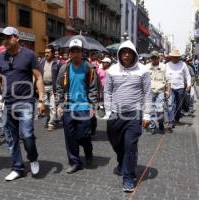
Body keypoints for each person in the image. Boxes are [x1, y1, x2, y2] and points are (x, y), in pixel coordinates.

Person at [0, 26, 45, 181]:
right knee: (10, 137)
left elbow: (39, 78)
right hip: (7, 103)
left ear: (17, 38)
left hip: (26, 102)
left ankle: (32, 157)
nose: (5, 40)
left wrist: (41, 100)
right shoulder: (0, 57)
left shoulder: (29, 55)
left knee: (26, 135)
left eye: (8, 37)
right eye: (3, 38)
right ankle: (17, 167)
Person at [104, 40, 151, 192]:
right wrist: (109, 111)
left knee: (130, 145)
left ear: (134, 54)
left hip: (134, 114)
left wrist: (147, 115)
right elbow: (107, 92)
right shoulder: (112, 70)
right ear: (119, 54)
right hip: (115, 114)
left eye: (130, 52)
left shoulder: (143, 71)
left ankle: (129, 177)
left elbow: (147, 94)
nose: (126, 54)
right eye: (124, 52)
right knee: (116, 143)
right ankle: (121, 161)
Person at [55, 38, 98, 174]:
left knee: (83, 135)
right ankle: (75, 162)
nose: (74, 54)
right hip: (68, 107)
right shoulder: (64, 68)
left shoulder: (89, 68)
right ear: (69, 53)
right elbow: (59, 87)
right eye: (72, 51)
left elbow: (93, 88)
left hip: (84, 108)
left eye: (77, 51)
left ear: (82, 52)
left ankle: (88, 151)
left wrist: (92, 106)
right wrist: (59, 104)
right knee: (69, 137)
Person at [145, 51, 171, 134]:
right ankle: (152, 128)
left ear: (158, 58)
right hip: (149, 91)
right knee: (151, 110)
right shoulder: (146, 67)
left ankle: (160, 123)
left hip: (160, 91)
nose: (154, 59)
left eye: (155, 57)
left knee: (159, 110)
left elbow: (168, 80)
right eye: (152, 57)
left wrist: (168, 91)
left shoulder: (164, 67)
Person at [165, 49, 191, 125]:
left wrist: (189, 84)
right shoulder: (167, 65)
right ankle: (171, 120)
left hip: (180, 87)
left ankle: (177, 118)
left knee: (179, 105)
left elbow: (187, 75)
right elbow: (164, 76)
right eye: (173, 57)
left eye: (176, 57)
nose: (175, 58)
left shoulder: (183, 64)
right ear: (171, 57)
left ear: (178, 57)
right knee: (171, 104)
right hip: (170, 87)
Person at [39, 45, 61, 131]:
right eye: (45, 52)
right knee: (46, 106)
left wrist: (60, 89)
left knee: (52, 106)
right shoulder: (42, 62)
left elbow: (61, 76)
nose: (46, 54)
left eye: (48, 52)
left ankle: (51, 123)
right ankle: (49, 118)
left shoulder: (58, 63)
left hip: (53, 87)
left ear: (52, 53)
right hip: (43, 87)